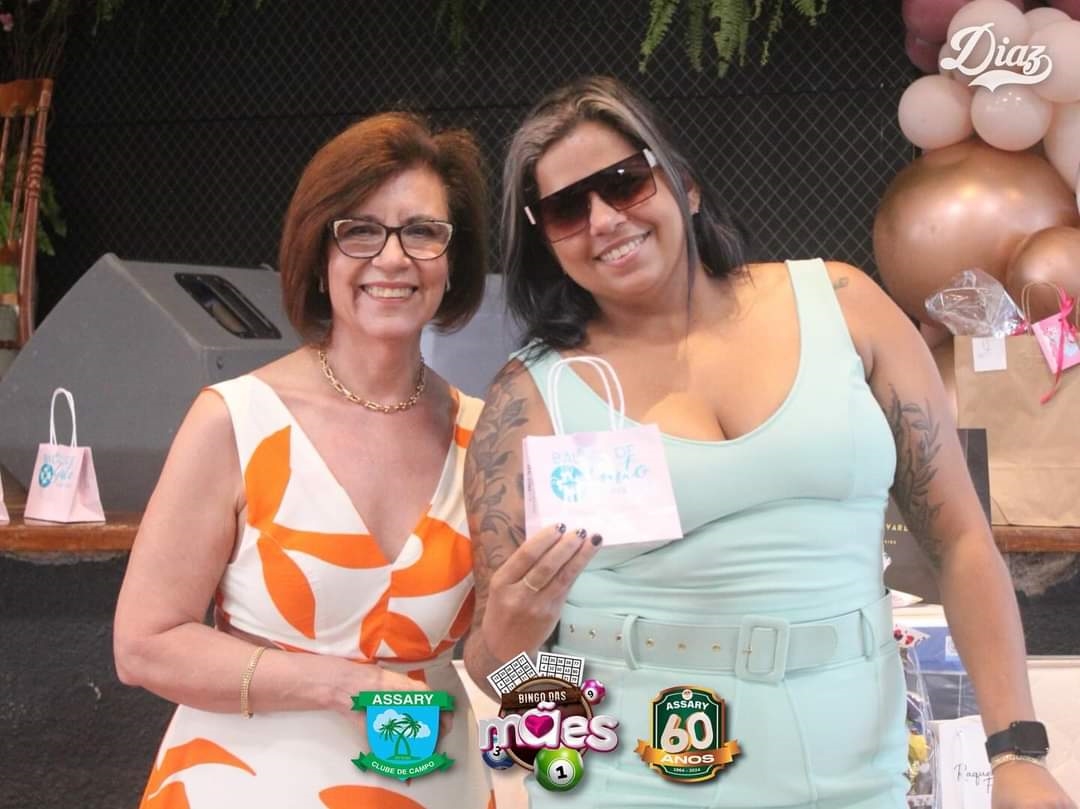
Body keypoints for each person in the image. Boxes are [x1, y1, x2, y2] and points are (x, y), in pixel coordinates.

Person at [462, 76, 1075, 809]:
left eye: (624, 183)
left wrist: (1017, 751)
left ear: (684, 187)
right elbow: (494, 665)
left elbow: (963, 542)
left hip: (849, 774)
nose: (603, 219)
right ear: (546, 241)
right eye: (567, 208)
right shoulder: (528, 395)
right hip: (629, 779)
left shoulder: (843, 307)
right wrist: (517, 640)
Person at [114, 112, 497, 808]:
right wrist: (342, 684)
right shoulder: (235, 419)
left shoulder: (486, 435)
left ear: (453, 258)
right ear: (319, 256)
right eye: (360, 230)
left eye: (422, 231)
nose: (393, 258)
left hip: (436, 787)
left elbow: (511, 652)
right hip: (245, 786)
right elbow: (143, 645)